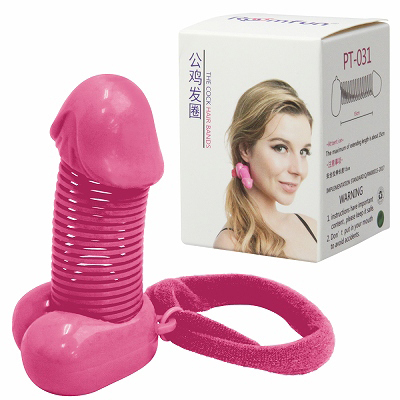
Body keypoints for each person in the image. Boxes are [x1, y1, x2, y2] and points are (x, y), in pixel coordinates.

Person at [213, 80, 317, 261]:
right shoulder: (231, 244)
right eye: (281, 148)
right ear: (245, 149)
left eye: (303, 152)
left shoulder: (311, 227)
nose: (298, 169)